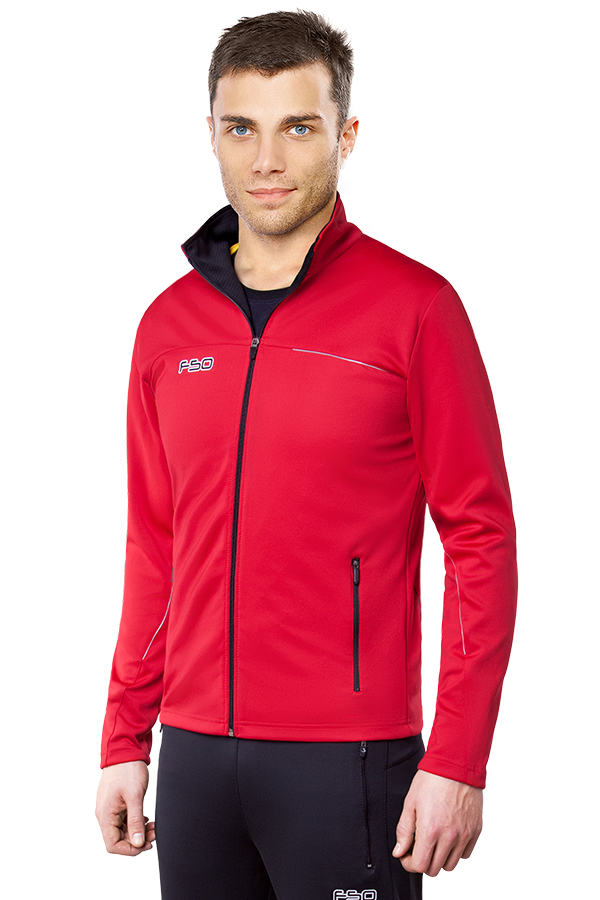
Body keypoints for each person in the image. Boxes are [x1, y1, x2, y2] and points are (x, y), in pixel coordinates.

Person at [95, 10, 518, 900]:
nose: (266, 160)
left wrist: (458, 755)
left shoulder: (416, 310)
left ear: (345, 136)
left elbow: (480, 538)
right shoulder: (169, 328)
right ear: (213, 134)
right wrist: (124, 737)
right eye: (240, 128)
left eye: (297, 127)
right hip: (194, 759)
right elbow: (155, 546)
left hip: (349, 757)